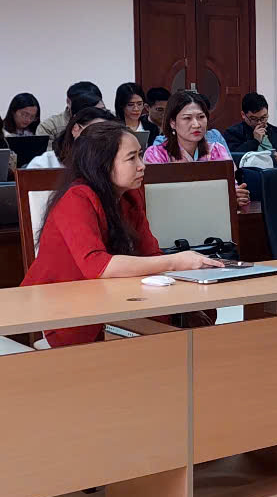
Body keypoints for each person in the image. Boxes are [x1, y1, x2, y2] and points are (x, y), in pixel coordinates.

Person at [21, 122, 223, 348]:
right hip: (67, 308)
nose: (142, 165)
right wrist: (175, 261)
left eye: (141, 155)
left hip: (115, 298)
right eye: (132, 158)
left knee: (190, 323)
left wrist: (188, 268)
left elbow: (151, 254)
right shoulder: (76, 198)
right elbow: (98, 266)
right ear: (102, 164)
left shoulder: (130, 196)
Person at [143, 91, 249, 206]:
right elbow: (156, 198)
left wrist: (236, 196)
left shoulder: (217, 150)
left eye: (201, 117)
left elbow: (230, 188)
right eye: (187, 118)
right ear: (172, 122)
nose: (196, 124)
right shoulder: (156, 154)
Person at [26, 103, 114, 169]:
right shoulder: (45, 164)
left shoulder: (109, 165)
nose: (98, 139)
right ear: (75, 129)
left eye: (105, 136)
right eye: (95, 131)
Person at [222, 93, 277, 164]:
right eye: (254, 118)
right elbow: (232, 160)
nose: (259, 122)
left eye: (263, 117)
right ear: (243, 115)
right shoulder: (232, 133)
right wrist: (255, 141)